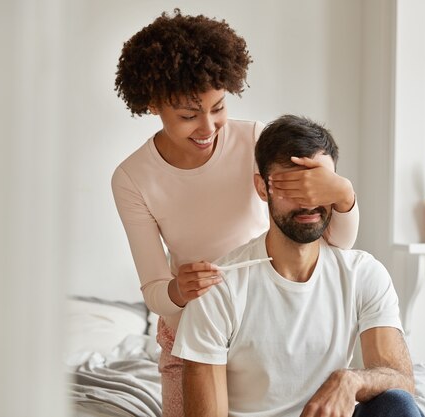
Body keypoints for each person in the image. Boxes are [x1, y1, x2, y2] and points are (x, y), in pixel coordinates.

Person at [111, 10, 359, 417]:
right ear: (154, 105)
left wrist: (344, 196)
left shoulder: (255, 141)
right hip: (191, 330)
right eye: (188, 115)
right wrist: (179, 290)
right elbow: (156, 290)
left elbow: (338, 241)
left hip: (271, 322)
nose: (208, 127)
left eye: (218, 107)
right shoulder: (132, 178)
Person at [172, 114, 422, 417]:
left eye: (320, 185)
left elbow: (402, 381)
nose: (308, 201)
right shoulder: (218, 290)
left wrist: (352, 379)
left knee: (397, 404)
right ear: (262, 188)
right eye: (293, 185)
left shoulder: (363, 274)